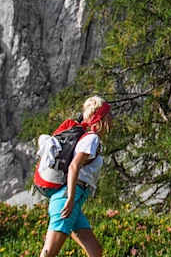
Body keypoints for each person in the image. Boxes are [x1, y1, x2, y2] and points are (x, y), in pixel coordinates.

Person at [40, 96, 111, 257]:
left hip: (73, 198)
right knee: (48, 253)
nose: (112, 119)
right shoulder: (92, 138)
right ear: (100, 119)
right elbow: (74, 166)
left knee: (95, 251)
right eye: (109, 115)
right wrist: (70, 199)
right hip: (68, 198)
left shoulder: (87, 137)